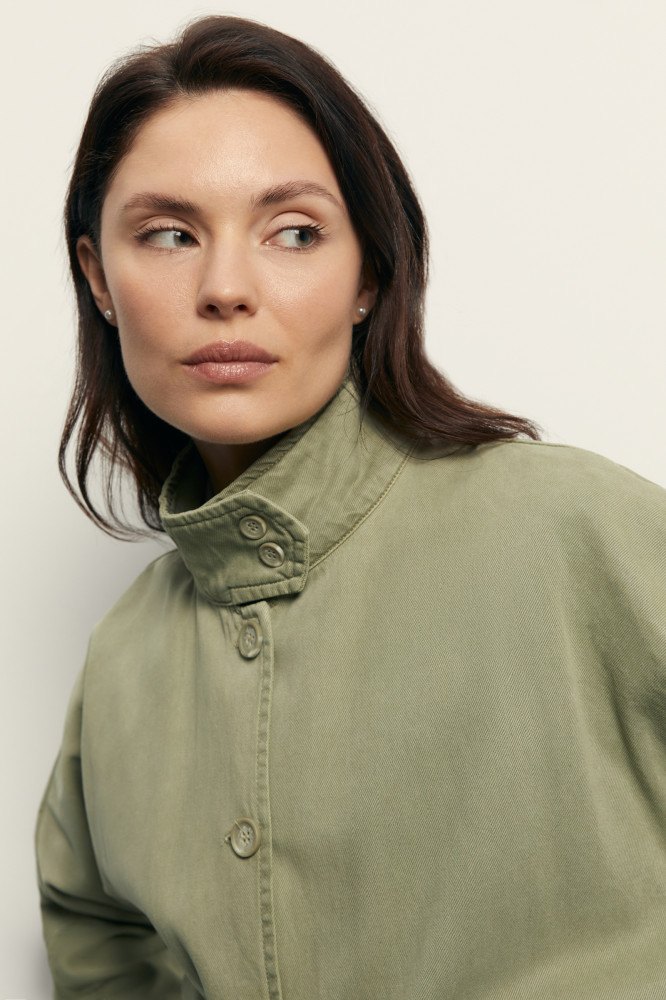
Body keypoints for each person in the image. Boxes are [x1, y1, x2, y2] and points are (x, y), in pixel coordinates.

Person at [36, 15, 666, 1000]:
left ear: (368, 272)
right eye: (169, 234)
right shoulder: (122, 660)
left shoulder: (577, 529)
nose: (226, 288)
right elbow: (97, 945)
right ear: (97, 279)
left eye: (294, 231)